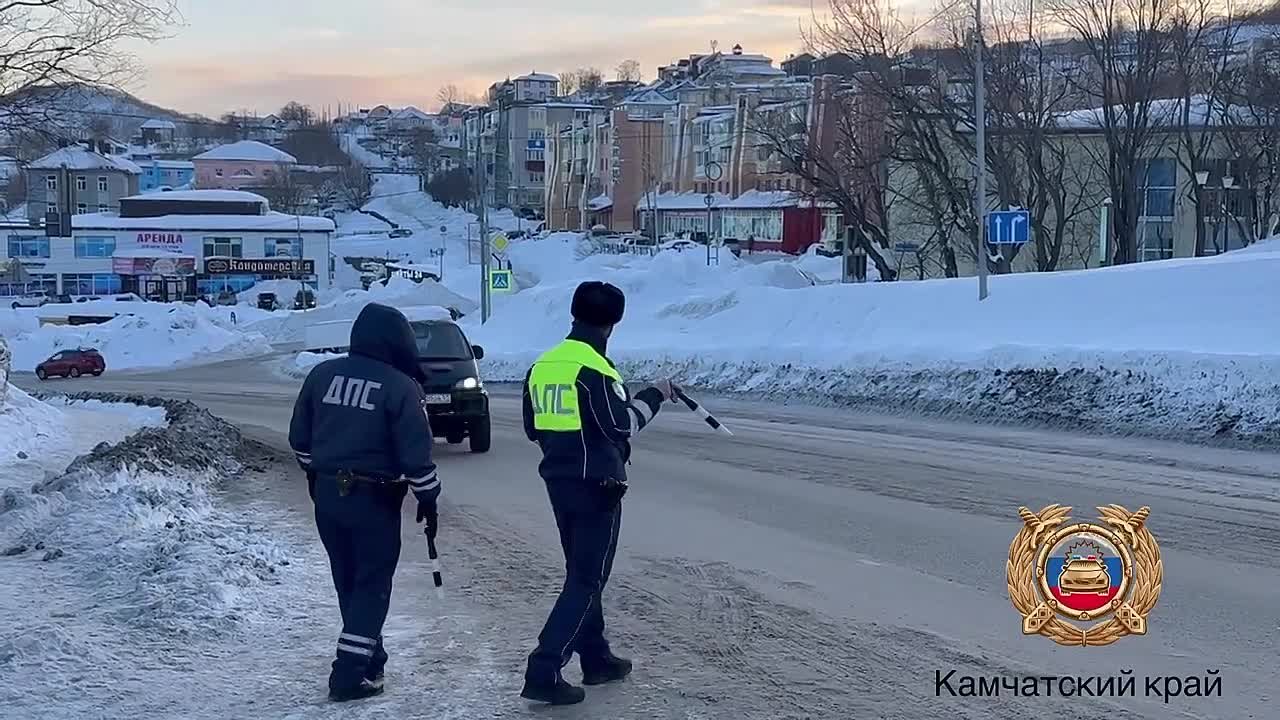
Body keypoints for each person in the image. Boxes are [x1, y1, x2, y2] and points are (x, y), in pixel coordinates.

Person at [519, 280, 674, 705]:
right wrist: (653, 397)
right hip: (597, 487)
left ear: (574, 314)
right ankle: (545, 667)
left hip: (559, 482)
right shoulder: (595, 369)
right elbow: (621, 426)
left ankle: (596, 657)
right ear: (612, 324)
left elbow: (534, 428)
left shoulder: (543, 365)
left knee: (582, 573)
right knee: (587, 579)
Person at [288, 303, 442, 703]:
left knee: (349, 579)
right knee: (372, 584)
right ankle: (348, 673)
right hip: (374, 497)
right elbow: (416, 455)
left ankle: (371, 655)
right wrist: (428, 496)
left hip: (327, 495)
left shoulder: (321, 375)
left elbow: (300, 440)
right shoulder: (400, 386)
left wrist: (316, 475)